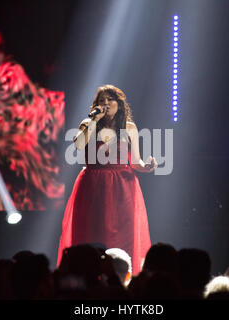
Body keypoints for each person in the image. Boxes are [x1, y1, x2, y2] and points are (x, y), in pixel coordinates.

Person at [57, 84, 157, 276]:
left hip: (122, 187)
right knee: (91, 234)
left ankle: (123, 278)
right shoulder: (88, 123)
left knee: (123, 235)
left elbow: (135, 161)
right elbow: (78, 144)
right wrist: (93, 121)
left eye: (110, 99)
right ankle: (89, 278)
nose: (106, 103)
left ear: (119, 103)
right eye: (101, 100)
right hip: (92, 186)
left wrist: (148, 167)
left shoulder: (129, 127)